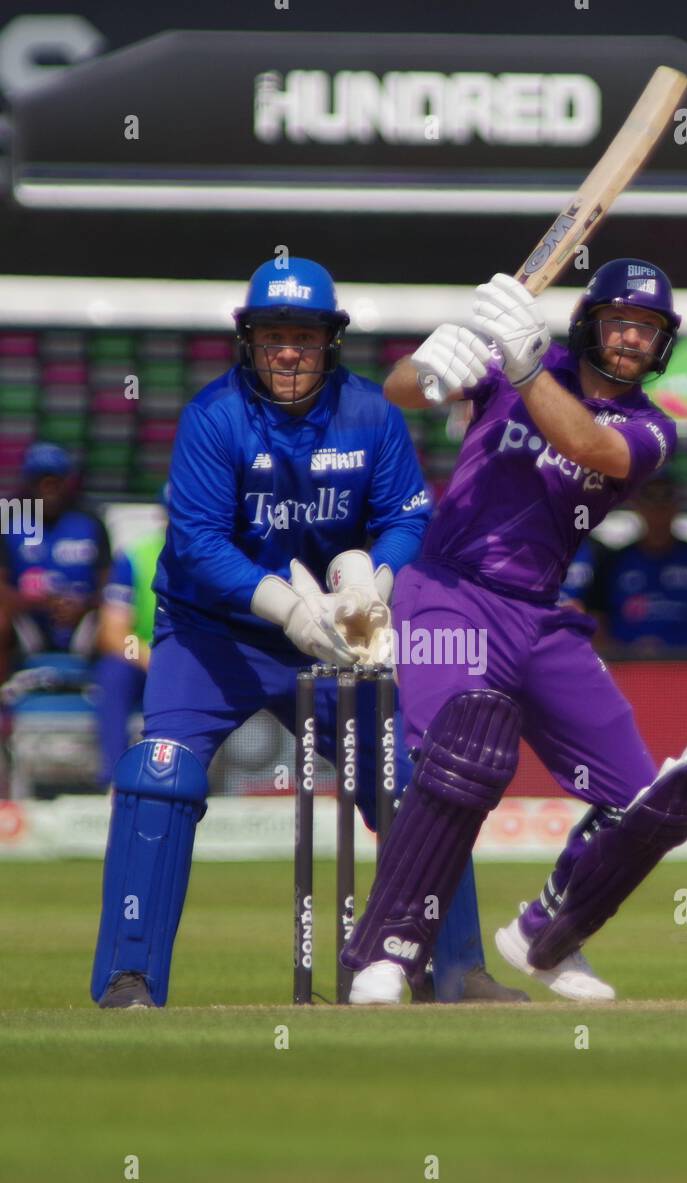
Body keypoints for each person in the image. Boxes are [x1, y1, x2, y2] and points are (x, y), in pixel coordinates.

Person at [90, 255, 525, 1009]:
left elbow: (405, 517)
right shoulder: (213, 417)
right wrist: (284, 607)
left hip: (337, 637)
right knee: (159, 774)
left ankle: (457, 971)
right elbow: (195, 541)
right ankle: (129, 979)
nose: (287, 353)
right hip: (212, 636)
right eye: (271, 337)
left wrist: (371, 584)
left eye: (303, 337)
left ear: (331, 343)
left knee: (413, 783)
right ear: (248, 344)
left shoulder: (371, 414)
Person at [342, 259, 687, 1004]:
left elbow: (590, 446)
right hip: (448, 587)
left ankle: (549, 935)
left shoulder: (651, 428)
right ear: (589, 323)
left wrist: (520, 369)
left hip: (540, 613)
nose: (631, 340)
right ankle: (387, 952)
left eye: (647, 330)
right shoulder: (526, 360)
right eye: (619, 322)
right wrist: (430, 364)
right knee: (460, 756)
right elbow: (397, 395)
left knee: (648, 802)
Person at [0, 443, 110, 680]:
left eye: (55, 481)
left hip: (84, 620)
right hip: (28, 621)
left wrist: (85, 605)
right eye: (42, 481)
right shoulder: (10, 522)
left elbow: (110, 584)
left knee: (117, 619)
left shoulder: (90, 521)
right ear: (29, 483)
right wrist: (40, 603)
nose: (49, 489)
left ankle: (111, 693)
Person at [93, 488, 168, 787]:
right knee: (113, 672)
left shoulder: (219, 557)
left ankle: (184, 778)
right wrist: (148, 657)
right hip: (144, 657)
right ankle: (114, 778)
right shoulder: (136, 558)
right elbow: (113, 633)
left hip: (196, 658)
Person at [585, 474, 687, 652]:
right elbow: (596, 621)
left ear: (678, 503)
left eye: (667, 495)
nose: (658, 506)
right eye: (649, 496)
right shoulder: (612, 562)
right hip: (628, 670)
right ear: (636, 504)